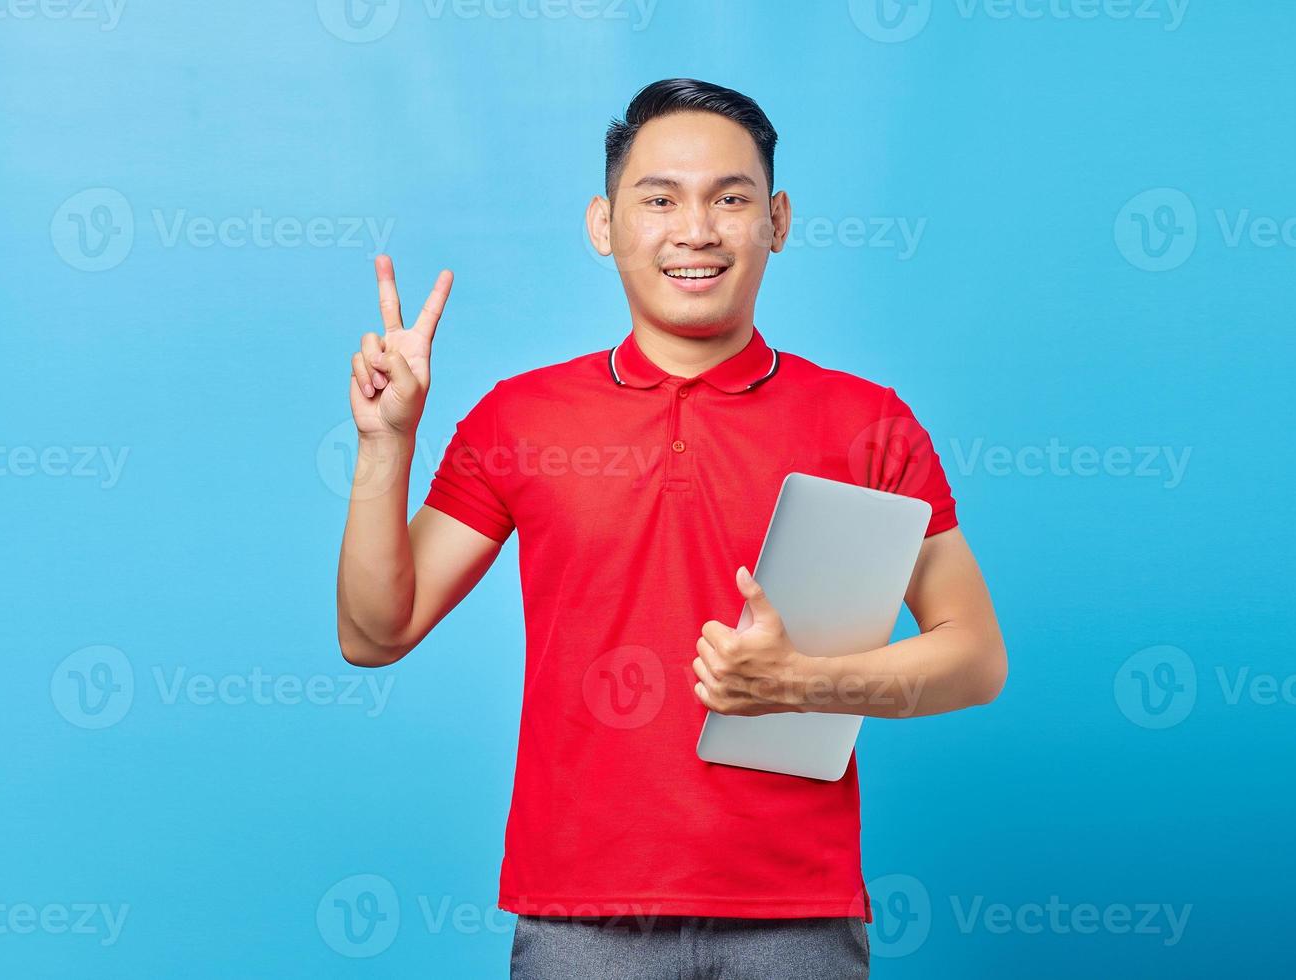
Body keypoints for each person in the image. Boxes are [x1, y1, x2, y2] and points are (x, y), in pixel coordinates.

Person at [335, 77, 1007, 979]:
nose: (695, 229)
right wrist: (389, 443)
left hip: (796, 914)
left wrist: (805, 683)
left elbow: (975, 657)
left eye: (729, 199)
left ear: (777, 221)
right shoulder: (518, 418)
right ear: (603, 225)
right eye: (659, 199)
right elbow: (374, 633)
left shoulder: (867, 422)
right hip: (581, 919)